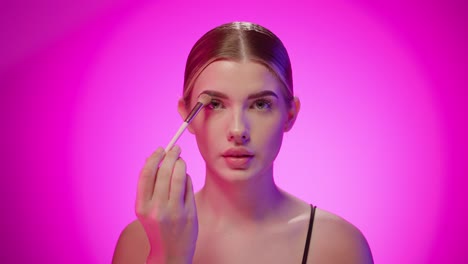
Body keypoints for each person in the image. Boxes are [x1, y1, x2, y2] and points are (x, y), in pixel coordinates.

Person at [112, 21, 373, 264]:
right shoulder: (139, 242)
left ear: (290, 114)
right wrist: (167, 255)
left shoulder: (339, 246)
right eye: (215, 104)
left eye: (260, 104)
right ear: (186, 114)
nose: (238, 130)